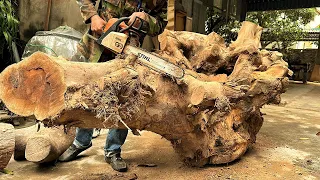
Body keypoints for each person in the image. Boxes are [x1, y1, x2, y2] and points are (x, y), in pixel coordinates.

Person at [59, 0, 168, 172]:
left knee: (123, 96)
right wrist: (93, 16)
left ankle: (113, 150)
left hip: (128, 49)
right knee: (86, 90)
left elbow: (160, 23)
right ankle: (81, 141)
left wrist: (145, 18)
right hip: (97, 43)